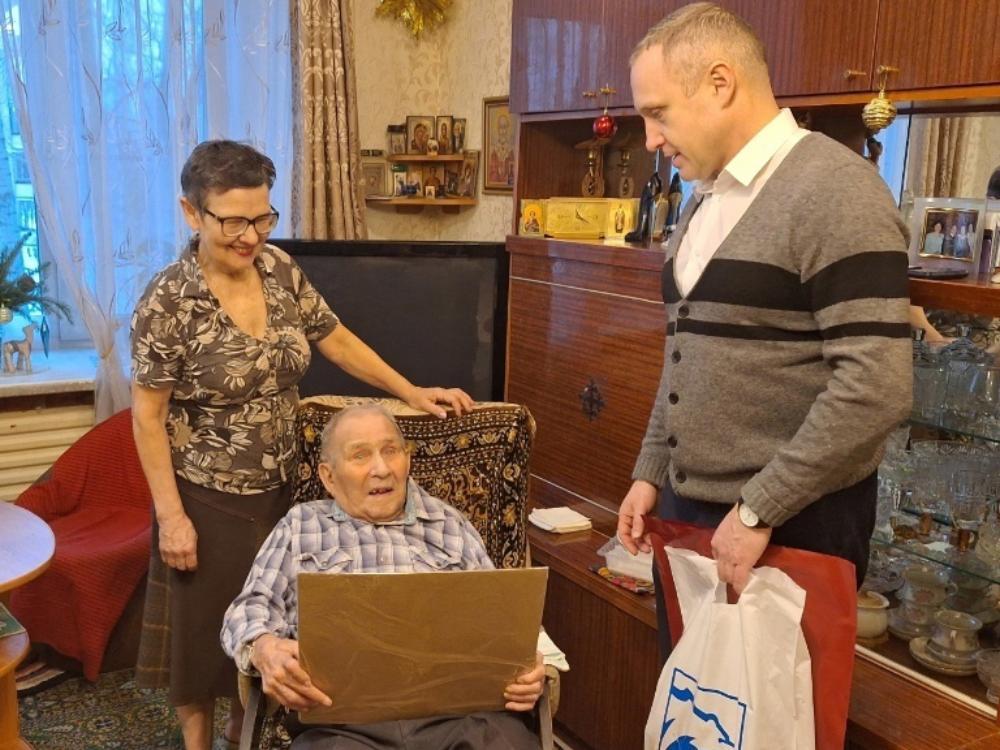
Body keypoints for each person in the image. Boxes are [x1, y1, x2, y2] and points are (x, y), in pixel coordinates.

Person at [131, 140, 473, 750]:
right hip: (206, 497)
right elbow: (147, 417)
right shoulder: (168, 301)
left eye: (262, 218)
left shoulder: (280, 270)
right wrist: (171, 516)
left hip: (283, 489)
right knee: (200, 645)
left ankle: (247, 734)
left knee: (270, 627)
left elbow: (336, 339)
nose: (250, 236)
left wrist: (410, 390)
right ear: (191, 213)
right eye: (233, 221)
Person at [619, 2, 911, 657]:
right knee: (695, 700)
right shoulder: (705, 197)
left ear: (721, 83)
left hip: (793, 525)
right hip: (692, 513)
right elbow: (685, 353)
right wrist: (651, 471)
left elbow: (876, 387)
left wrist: (759, 509)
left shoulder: (838, 191)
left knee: (781, 707)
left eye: (658, 113)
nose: (651, 139)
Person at [220, 404, 545, 749]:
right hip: (343, 725)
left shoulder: (450, 524)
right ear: (329, 476)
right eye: (360, 455)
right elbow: (248, 608)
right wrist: (264, 648)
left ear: (407, 459)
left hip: (458, 718)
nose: (381, 469)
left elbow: (504, 619)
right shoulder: (301, 526)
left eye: (391, 451)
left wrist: (533, 666)